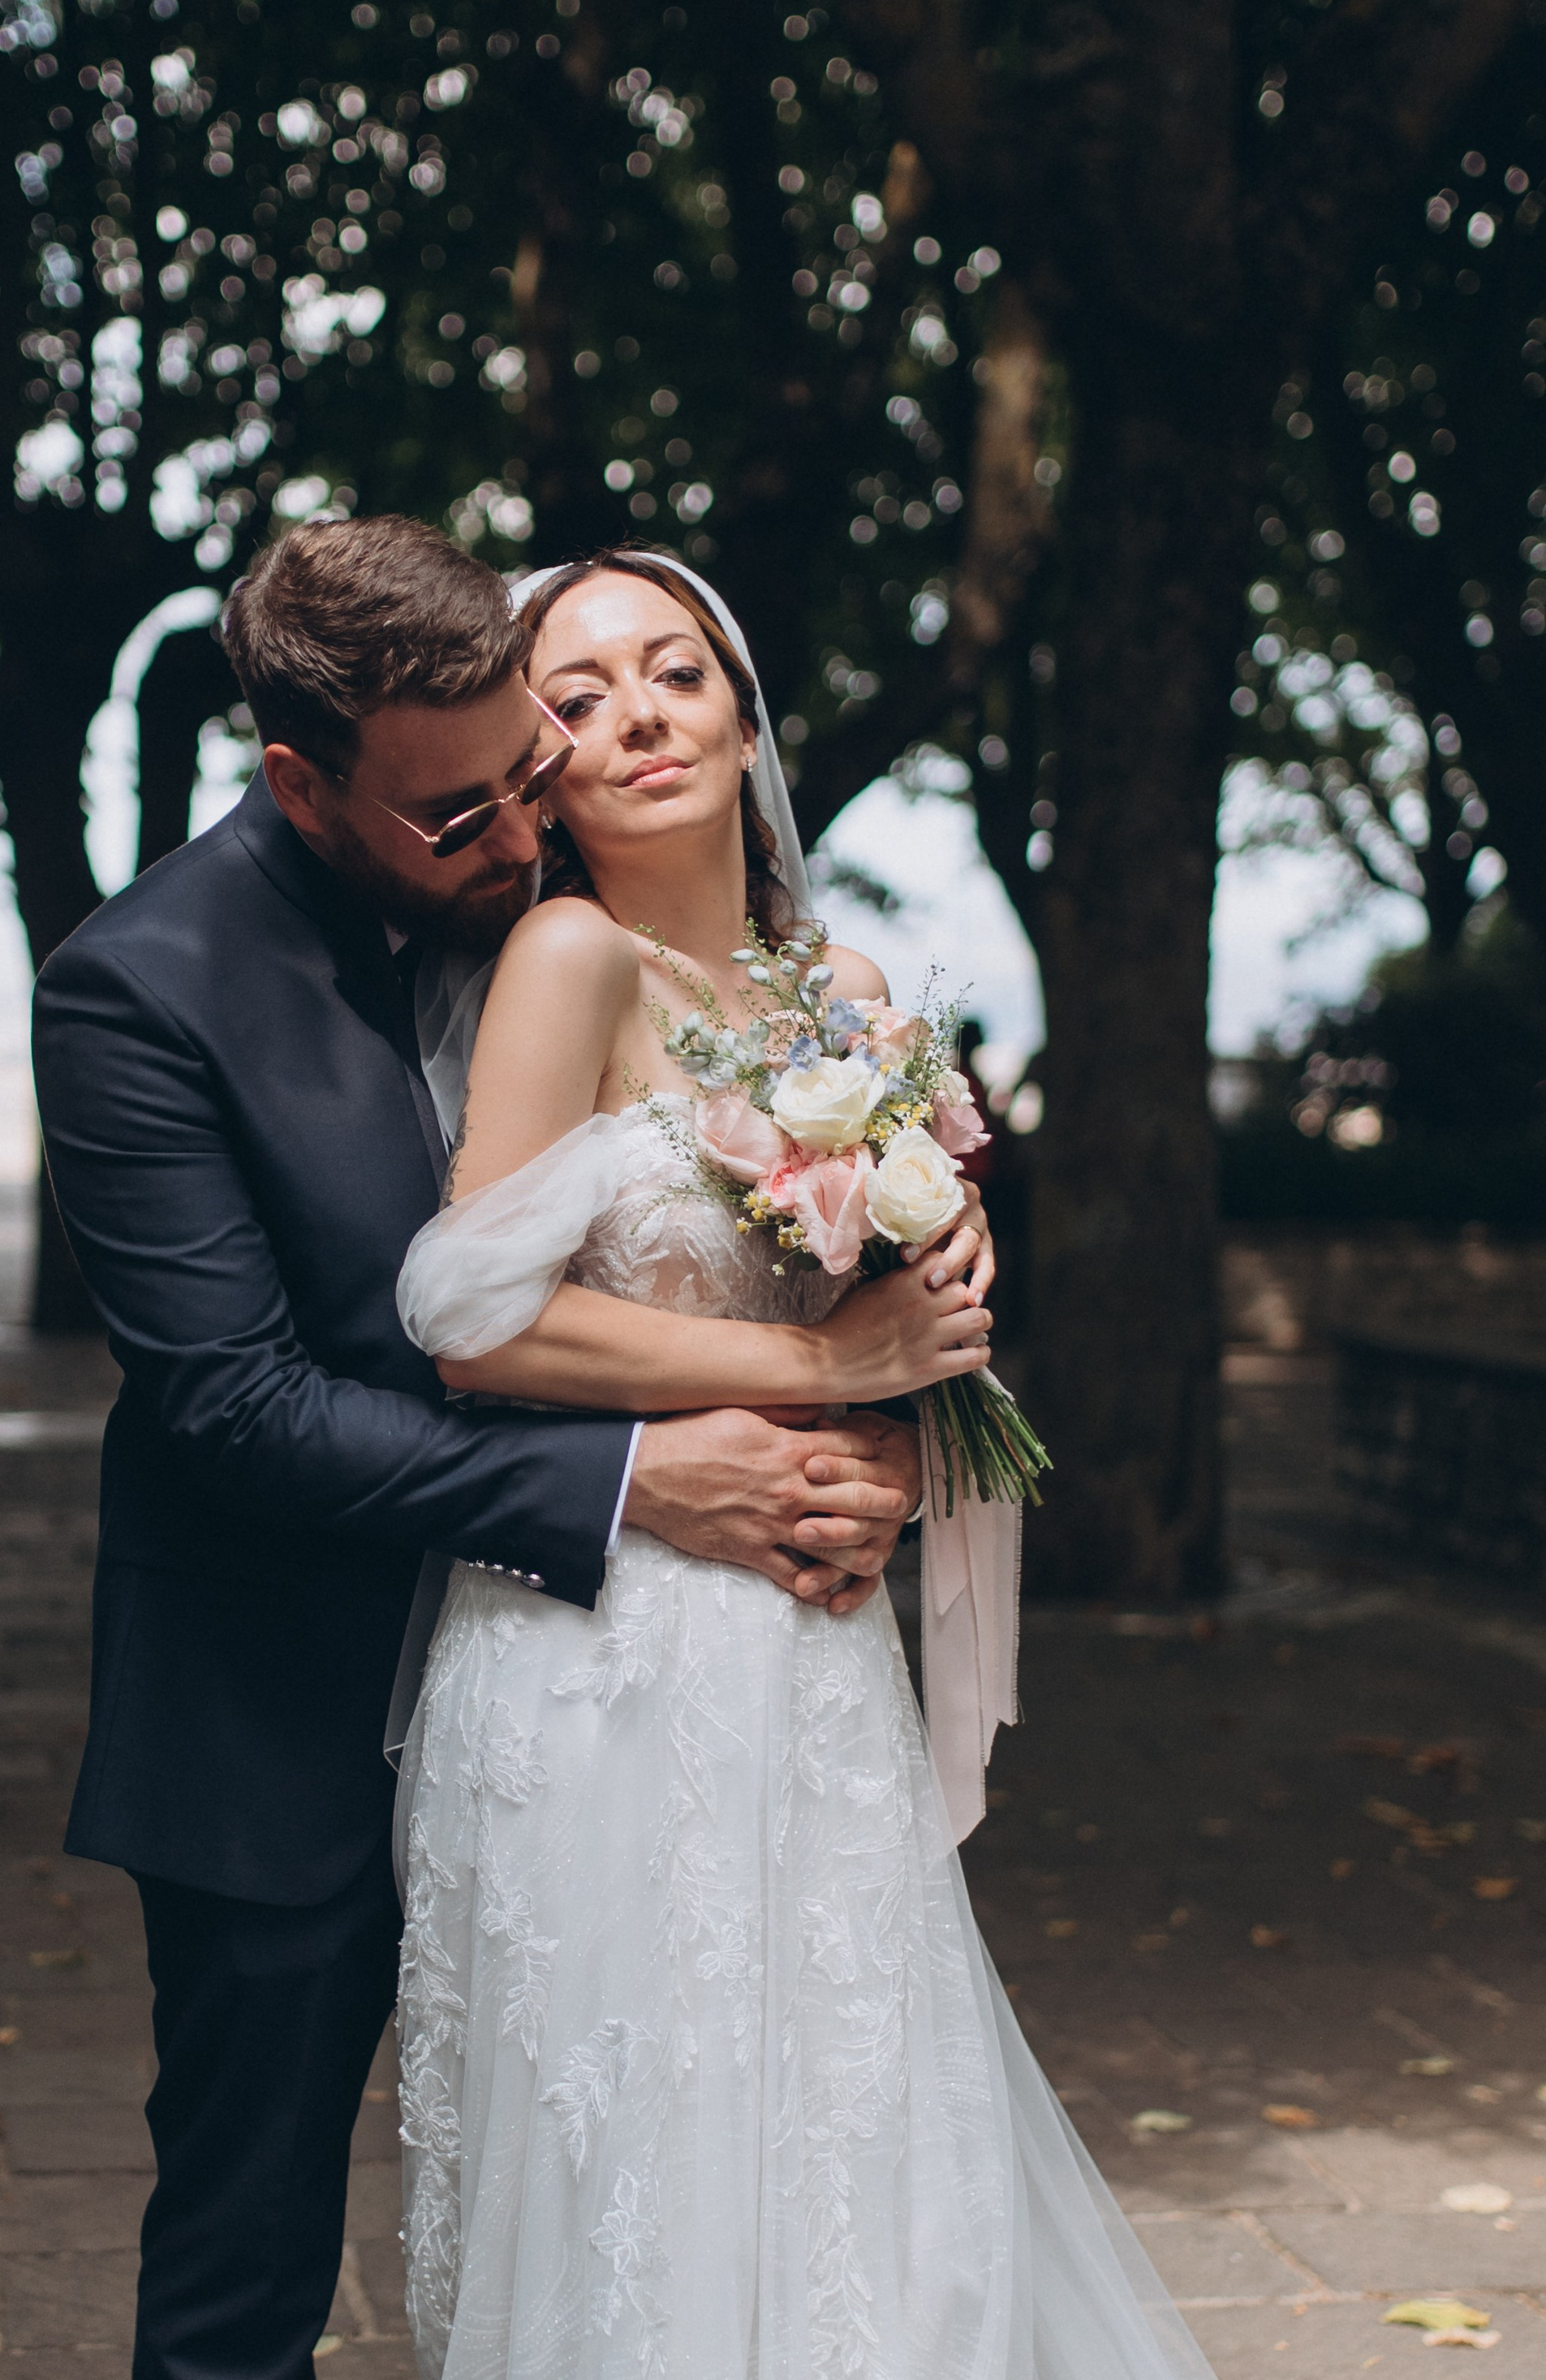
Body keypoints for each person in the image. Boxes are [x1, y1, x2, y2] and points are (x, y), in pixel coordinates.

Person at [32, 516, 924, 2380]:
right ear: (301, 777)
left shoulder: (570, 909)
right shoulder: (140, 989)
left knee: (659, 2192)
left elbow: (747, 1192)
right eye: (460, 815)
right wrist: (627, 1481)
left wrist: (882, 1387)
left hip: (607, 1710)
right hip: (280, 1706)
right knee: (247, 2257)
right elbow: (238, 1405)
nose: (521, 835)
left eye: (531, 775)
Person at [393, 549, 1211, 2379]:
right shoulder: (565, 956)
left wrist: (907, 1431)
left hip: (813, 1639)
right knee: (651, 2155)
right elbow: (470, 1318)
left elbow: (910, 1331)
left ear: (743, 712)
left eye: (671, 672)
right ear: (537, 768)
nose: (635, 717)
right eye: (576, 698)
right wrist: (812, 1362)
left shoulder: (836, 990)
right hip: (606, 1651)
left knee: (852, 2136)